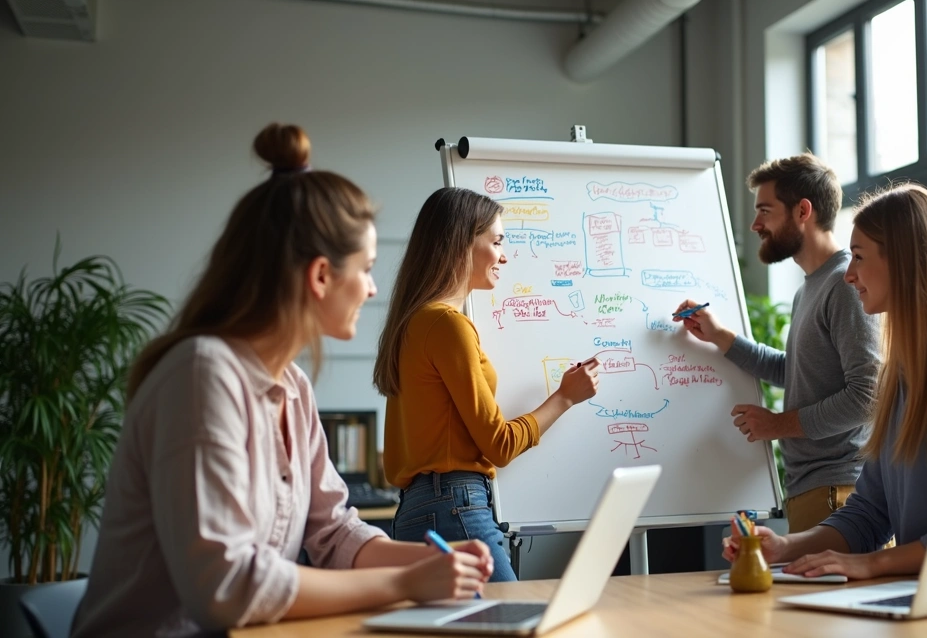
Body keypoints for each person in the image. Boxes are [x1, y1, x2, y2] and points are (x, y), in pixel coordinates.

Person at [72, 124, 492, 638]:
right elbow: (229, 589)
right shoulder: (203, 375)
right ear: (320, 277)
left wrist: (429, 560)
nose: (373, 287)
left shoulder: (291, 386)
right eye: (366, 268)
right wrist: (405, 583)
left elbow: (334, 531)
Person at [722, 183, 927, 580]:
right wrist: (784, 546)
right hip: (922, 597)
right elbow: (870, 512)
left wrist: (870, 563)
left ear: (904, 262)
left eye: (859, 258)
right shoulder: (902, 375)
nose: (849, 275)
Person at [373, 187, 600, 583]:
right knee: (509, 622)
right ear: (462, 243)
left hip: (414, 512)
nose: (505, 255)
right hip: (454, 508)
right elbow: (498, 445)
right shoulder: (448, 326)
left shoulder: (413, 323)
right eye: (496, 242)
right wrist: (564, 397)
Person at [673, 152, 881, 533]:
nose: (755, 225)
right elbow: (797, 371)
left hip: (839, 492)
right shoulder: (812, 288)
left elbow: (869, 395)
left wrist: (778, 424)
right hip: (816, 490)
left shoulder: (844, 286)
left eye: (765, 211)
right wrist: (721, 337)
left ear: (803, 211)